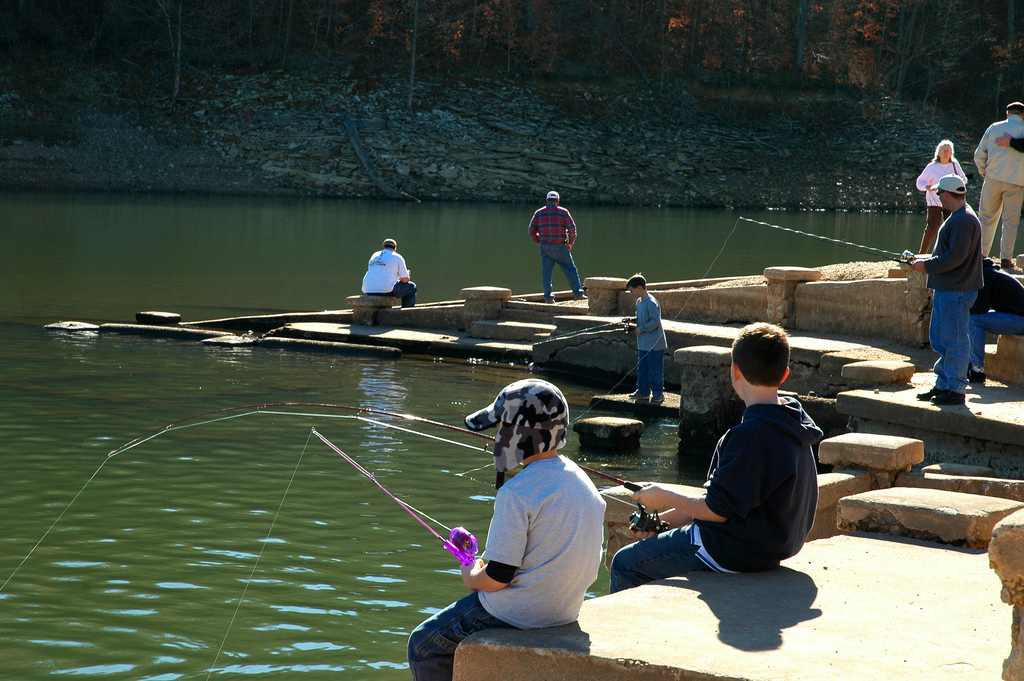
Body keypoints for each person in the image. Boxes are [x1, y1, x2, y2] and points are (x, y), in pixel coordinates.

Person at [406, 379, 605, 681]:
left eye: (501, 429)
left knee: (423, 643)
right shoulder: (583, 482)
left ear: (518, 436)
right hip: (564, 609)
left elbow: (497, 578)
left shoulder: (517, 493)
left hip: (518, 614)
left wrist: (469, 571)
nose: (497, 437)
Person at [609, 322, 822, 592]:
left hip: (732, 551)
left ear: (735, 372)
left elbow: (717, 511)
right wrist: (664, 523)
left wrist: (663, 495)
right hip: (777, 545)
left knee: (625, 563)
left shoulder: (749, 436)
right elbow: (728, 500)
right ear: (785, 375)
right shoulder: (794, 422)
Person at [910, 174, 984, 406]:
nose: (939, 197)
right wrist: (925, 261)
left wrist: (926, 266)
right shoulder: (960, 217)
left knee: (955, 339)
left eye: (940, 193)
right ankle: (943, 384)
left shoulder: (963, 221)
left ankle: (955, 389)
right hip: (949, 288)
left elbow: (955, 258)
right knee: (941, 338)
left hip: (957, 290)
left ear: (949, 194)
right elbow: (950, 255)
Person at [974, 101, 1024, 270]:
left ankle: (981, 256)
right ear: (1023, 114)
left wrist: (983, 170)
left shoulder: (994, 127)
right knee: (1010, 222)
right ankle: (1005, 259)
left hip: (993, 178)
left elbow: (979, 154)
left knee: (986, 218)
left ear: (1007, 113)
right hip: (1017, 182)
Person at [967, 258, 1024, 383]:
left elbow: (980, 309)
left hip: (1020, 320)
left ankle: (977, 369)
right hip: (1016, 317)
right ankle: (971, 363)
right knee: (973, 319)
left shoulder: (984, 276)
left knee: (974, 320)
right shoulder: (991, 273)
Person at [528, 191, 586, 304]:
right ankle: (578, 294)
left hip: (545, 247)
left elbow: (531, 231)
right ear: (558, 201)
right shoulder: (563, 212)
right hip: (560, 247)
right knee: (570, 270)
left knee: (546, 273)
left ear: (547, 200)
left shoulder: (539, 213)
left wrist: (538, 241)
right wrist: (570, 243)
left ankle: (548, 298)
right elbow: (572, 230)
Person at [915, 139, 967, 253]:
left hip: (951, 201)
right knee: (932, 227)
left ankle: (947, 252)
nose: (946, 152)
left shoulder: (954, 164)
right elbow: (919, 182)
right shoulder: (932, 166)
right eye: (943, 150)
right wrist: (927, 187)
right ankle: (922, 253)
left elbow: (963, 179)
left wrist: (955, 184)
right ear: (938, 152)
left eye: (948, 150)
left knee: (950, 226)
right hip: (934, 200)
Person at [624, 273, 667, 404]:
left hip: (655, 344)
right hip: (643, 343)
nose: (631, 292)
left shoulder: (651, 302)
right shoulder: (639, 302)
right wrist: (632, 320)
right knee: (642, 368)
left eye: (632, 289)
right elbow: (643, 318)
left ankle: (658, 394)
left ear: (640, 287)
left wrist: (640, 329)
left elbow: (654, 322)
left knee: (655, 370)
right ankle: (642, 392)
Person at [361, 238, 417, 308]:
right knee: (411, 287)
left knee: (388, 285)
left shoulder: (374, 255)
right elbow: (405, 279)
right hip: (385, 291)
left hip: (367, 290)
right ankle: (407, 312)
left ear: (384, 246)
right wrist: (407, 275)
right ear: (395, 248)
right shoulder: (397, 256)